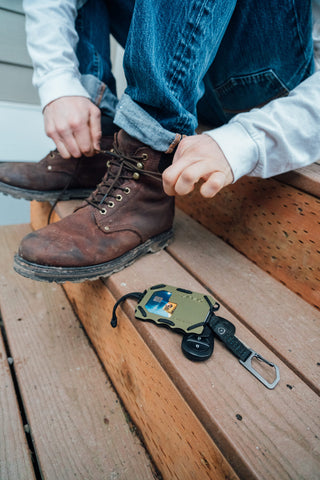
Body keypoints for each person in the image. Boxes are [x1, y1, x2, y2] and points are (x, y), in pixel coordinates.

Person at [2, 0, 317, 283]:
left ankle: (147, 165)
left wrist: (248, 139)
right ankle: (99, 140)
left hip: (260, 85)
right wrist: (61, 85)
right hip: (196, 69)